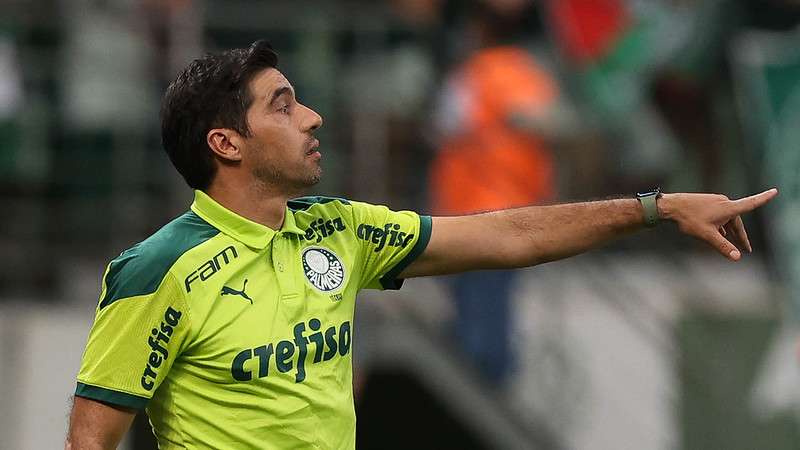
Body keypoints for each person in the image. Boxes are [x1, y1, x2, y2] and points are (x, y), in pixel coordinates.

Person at [65, 40, 777, 450]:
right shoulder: (158, 270)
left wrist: (657, 206)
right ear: (226, 144)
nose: (312, 117)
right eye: (282, 106)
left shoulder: (337, 229)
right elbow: (90, 442)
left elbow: (509, 234)